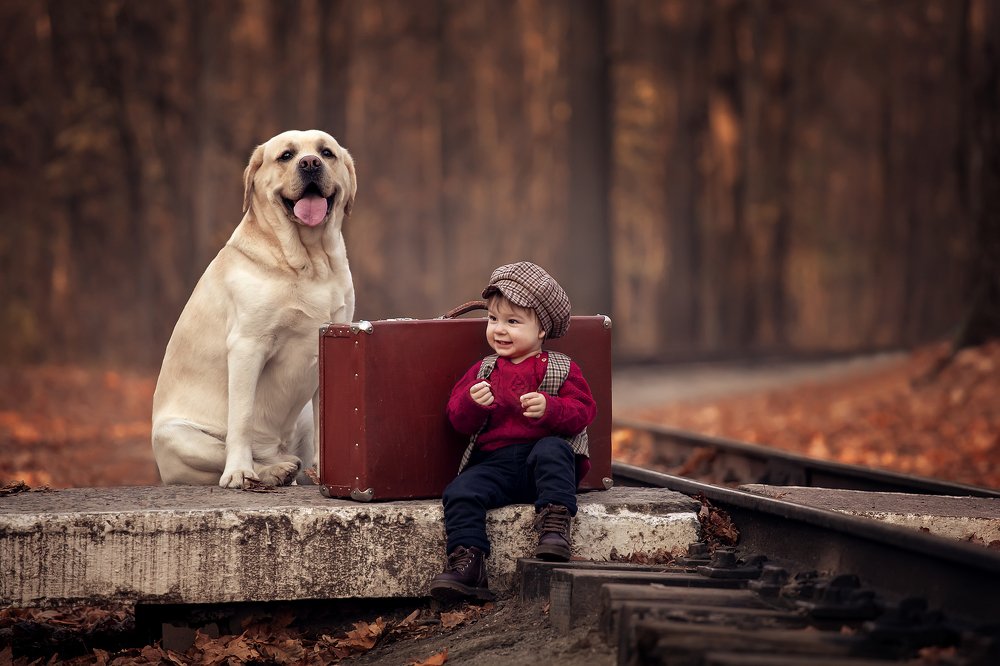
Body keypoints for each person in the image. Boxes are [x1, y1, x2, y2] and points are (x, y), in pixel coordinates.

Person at [429, 261, 597, 603]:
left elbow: (583, 412)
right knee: (460, 490)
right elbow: (457, 420)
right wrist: (473, 403)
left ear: (540, 331)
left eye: (512, 321)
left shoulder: (562, 367)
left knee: (554, 450)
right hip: (497, 465)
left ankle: (554, 527)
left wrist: (551, 408)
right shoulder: (484, 370)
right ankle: (468, 561)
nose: (499, 330)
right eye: (493, 319)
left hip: (543, 463)